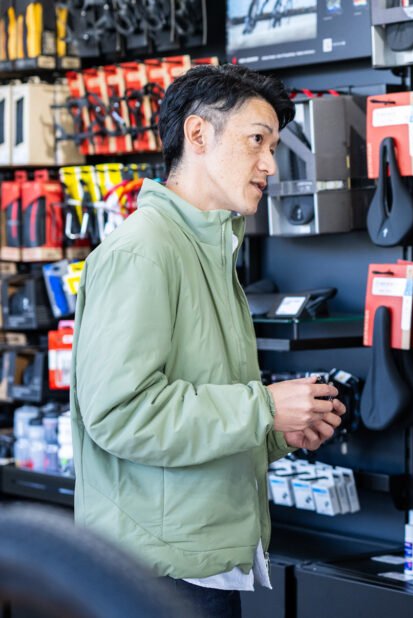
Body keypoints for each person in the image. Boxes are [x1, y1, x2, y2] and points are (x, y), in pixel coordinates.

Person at [70, 63, 346, 618]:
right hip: (156, 575)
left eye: (273, 146)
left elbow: (195, 415)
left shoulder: (209, 252)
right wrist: (263, 407)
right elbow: (120, 414)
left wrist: (277, 430)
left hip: (197, 564)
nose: (270, 164)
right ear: (197, 134)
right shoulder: (144, 251)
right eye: (257, 141)